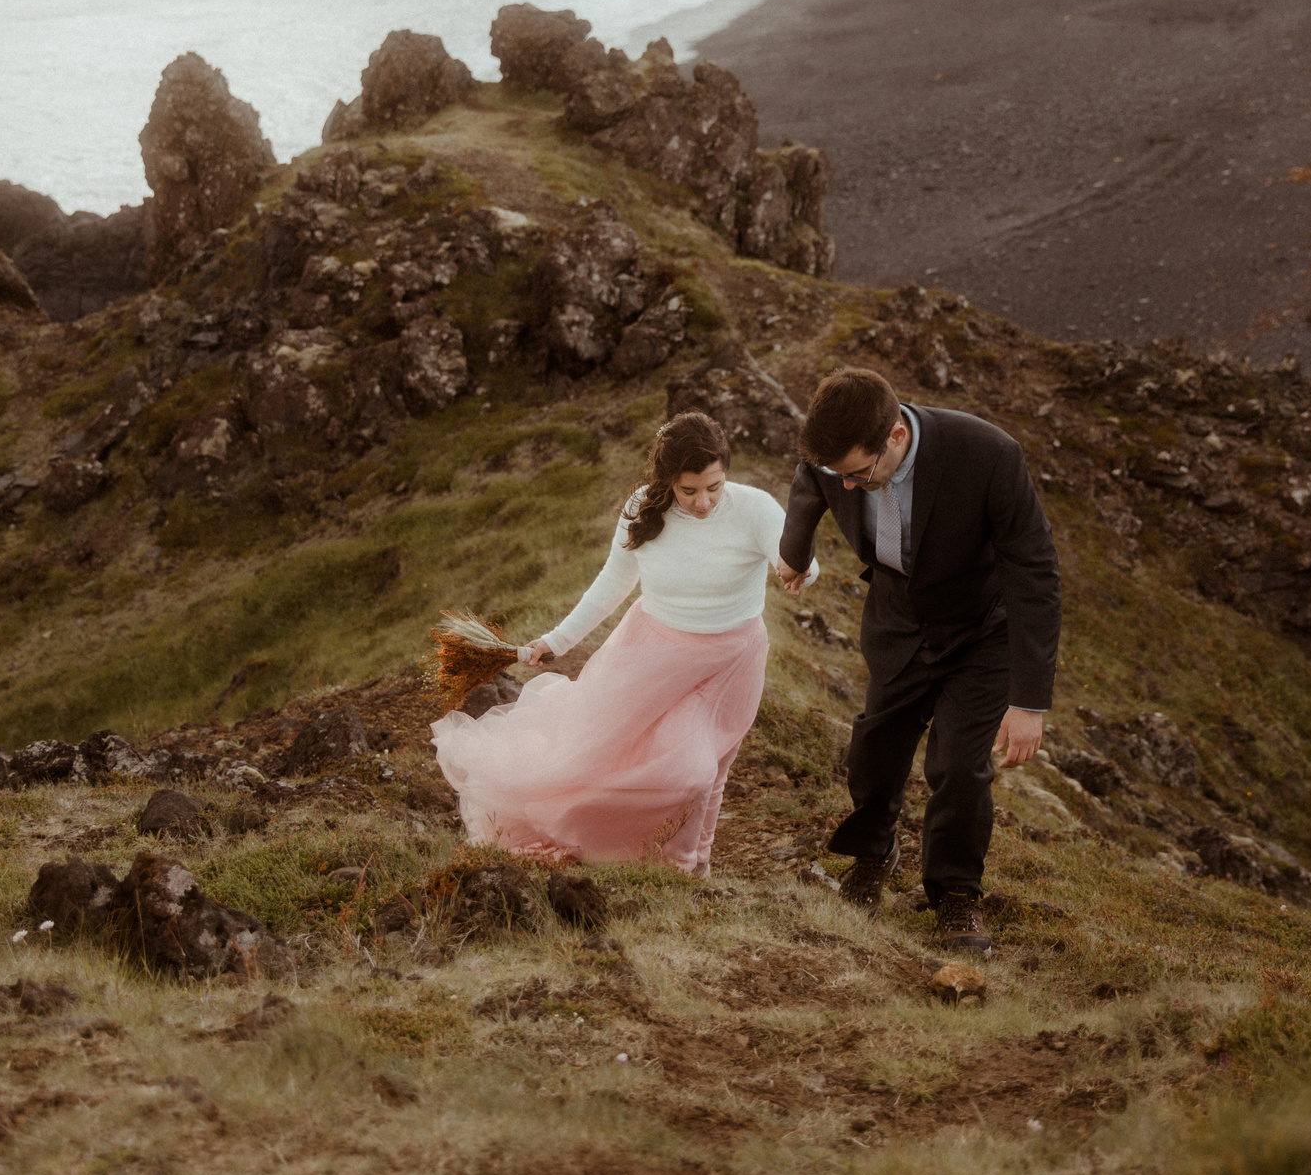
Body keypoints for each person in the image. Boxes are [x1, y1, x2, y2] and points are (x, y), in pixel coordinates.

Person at [430, 411, 795, 877]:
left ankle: (693, 867)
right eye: (689, 490)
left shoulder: (755, 507)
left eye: (714, 486)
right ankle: (624, 845)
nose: (703, 502)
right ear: (667, 482)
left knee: (713, 767)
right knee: (677, 767)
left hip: (735, 658)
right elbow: (611, 585)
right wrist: (557, 639)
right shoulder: (641, 509)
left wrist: (798, 568)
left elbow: (790, 553)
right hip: (655, 653)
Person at [779, 366, 1060, 954]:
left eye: (859, 473)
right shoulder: (836, 458)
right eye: (842, 475)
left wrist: (1029, 700)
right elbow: (812, 478)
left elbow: (1033, 572)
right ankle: (873, 853)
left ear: (896, 438)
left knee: (958, 767)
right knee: (874, 750)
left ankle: (956, 895)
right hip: (896, 619)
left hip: (980, 633)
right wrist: (796, 552)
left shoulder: (988, 455)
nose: (849, 487)